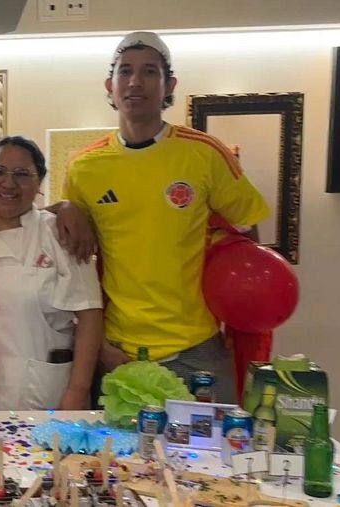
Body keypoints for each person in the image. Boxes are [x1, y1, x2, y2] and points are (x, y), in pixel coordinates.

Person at [65, 32, 269, 402]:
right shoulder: (84, 167)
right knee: (116, 462)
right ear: (110, 85)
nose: (135, 82)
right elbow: (75, 261)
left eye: (149, 72)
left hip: (197, 351)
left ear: (168, 84)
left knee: (211, 460)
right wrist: (63, 207)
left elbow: (247, 233)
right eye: (125, 71)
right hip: (118, 354)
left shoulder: (204, 154)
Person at [0, 136, 103, 410]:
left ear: (39, 181)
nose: (8, 183)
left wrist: (78, 391)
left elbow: (90, 316)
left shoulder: (60, 234)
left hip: (47, 389)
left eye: (22, 175)